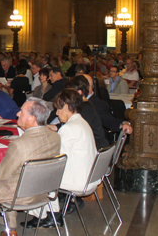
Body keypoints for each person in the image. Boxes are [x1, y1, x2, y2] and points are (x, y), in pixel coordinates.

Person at [0, 98, 61, 236]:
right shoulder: (55, 137)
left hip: (20, 195)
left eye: (21, 112)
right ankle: (11, 230)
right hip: (44, 192)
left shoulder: (20, 144)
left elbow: (1, 174)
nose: (17, 114)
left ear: (32, 118)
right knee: (13, 177)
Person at [24, 89, 98, 228]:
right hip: (90, 176)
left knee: (35, 174)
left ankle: (47, 215)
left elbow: (56, 159)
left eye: (58, 109)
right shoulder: (82, 123)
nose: (57, 113)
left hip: (79, 181)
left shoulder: (69, 128)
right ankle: (49, 214)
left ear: (67, 107)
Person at [64, 76, 109, 150]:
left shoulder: (85, 108)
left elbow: (75, 128)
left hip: (94, 147)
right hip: (93, 145)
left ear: (79, 92)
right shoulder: (86, 105)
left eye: (69, 92)